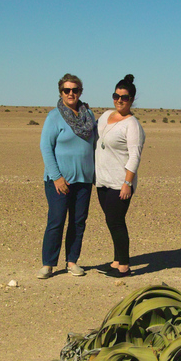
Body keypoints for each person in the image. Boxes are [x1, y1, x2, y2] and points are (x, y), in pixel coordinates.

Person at [38, 74, 96, 279]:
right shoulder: (54, 116)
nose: (71, 93)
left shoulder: (89, 115)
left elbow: (95, 145)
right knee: (56, 220)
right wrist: (57, 177)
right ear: (60, 92)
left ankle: (72, 261)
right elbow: (46, 147)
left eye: (75, 90)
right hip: (59, 180)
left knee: (78, 222)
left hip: (84, 180)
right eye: (66, 90)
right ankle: (48, 264)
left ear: (81, 91)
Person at [95, 74, 146, 277]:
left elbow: (135, 156)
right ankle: (116, 261)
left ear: (131, 100)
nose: (119, 100)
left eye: (124, 97)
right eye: (116, 96)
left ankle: (124, 266)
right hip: (102, 180)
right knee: (110, 220)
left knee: (117, 222)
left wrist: (127, 183)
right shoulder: (106, 115)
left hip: (119, 182)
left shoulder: (132, 125)